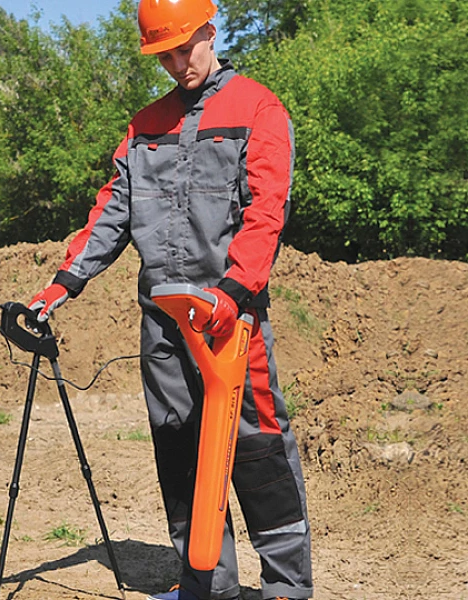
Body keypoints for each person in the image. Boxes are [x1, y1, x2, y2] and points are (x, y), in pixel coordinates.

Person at [28, 0, 313, 598]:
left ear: (210, 31)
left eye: (185, 49)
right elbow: (111, 212)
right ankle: (206, 586)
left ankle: (286, 586)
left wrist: (234, 291)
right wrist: (62, 284)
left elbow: (266, 211)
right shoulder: (144, 127)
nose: (178, 64)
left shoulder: (257, 109)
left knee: (258, 448)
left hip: (230, 321)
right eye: (165, 56)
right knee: (179, 450)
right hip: (163, 324)